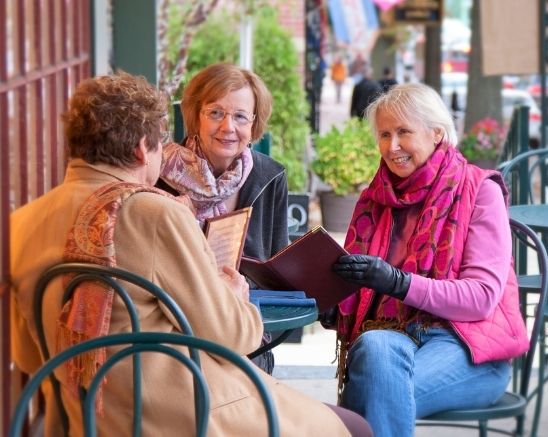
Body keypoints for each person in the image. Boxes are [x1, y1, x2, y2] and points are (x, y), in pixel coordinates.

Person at [10, 72, 371, 437]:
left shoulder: (19, 225)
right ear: (141, 148)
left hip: (78, 421)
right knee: (354, 427)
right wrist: (235, 296)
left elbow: (26, 354)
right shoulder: (154, 212)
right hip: (173, 417)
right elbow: (232, 335)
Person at [327, 83, 529, 436]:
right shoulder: (375, 199)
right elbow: (358, 298)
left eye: (404, 132)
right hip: (392, 343)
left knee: (371, 390)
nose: (392, 147)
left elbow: (480, 299)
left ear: (437, 133)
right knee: (374, 350)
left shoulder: (481, 191)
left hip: (470, 350)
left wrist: (397, 283)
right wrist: (333, 301)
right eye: (384, 134)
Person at [157, 63, 287, 373]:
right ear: (195, 115)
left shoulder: (271, 176)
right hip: (174, 321)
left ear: (253, 124)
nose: (228, 127)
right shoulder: (159, 174)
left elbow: (277, 272)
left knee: (245, 371)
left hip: (244, 323)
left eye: (240, 116)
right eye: (215, 113)